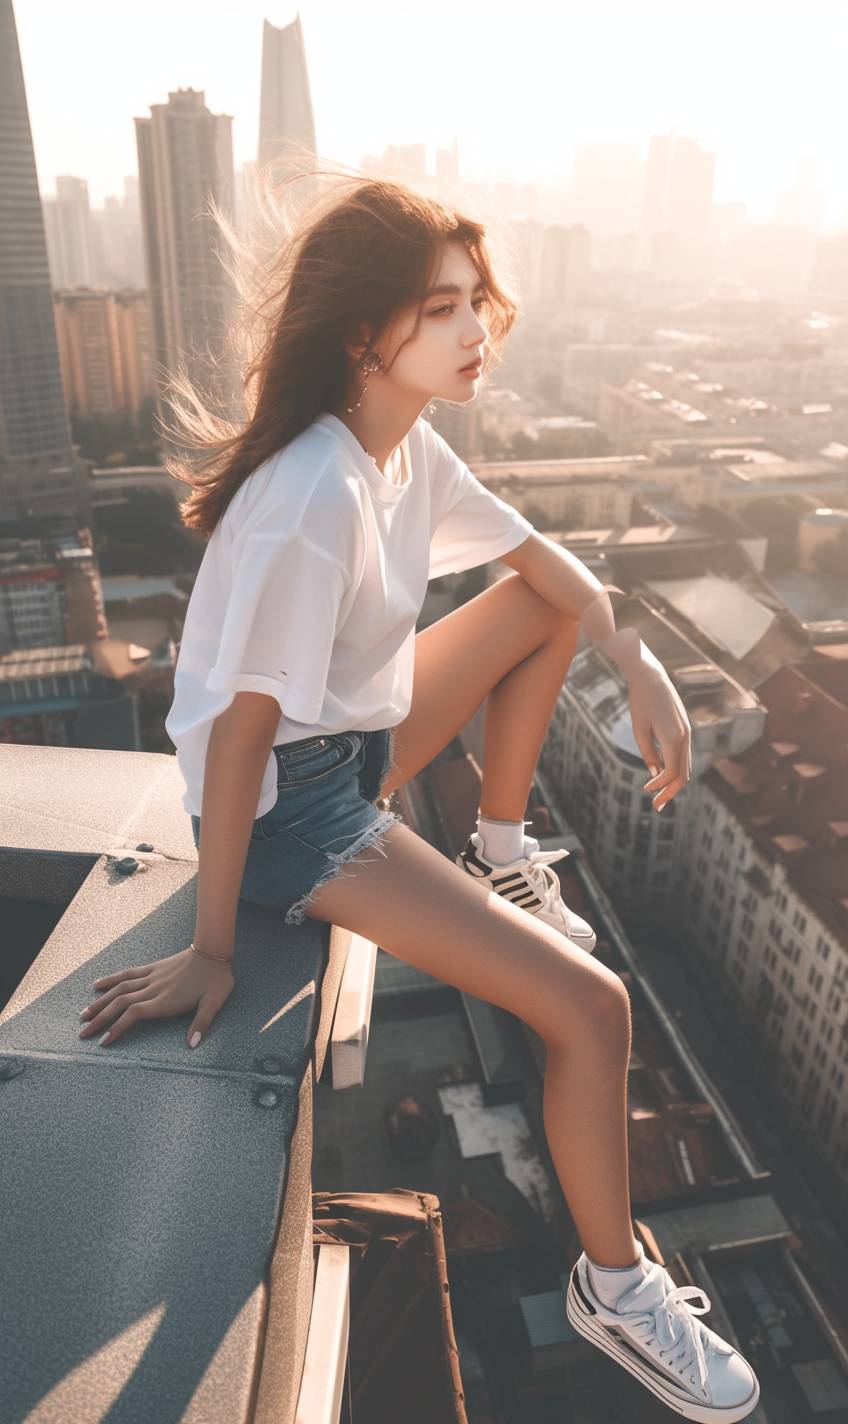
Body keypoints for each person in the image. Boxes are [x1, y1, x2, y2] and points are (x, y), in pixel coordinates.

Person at [76, 168, 759, 1421]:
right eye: (441, 308)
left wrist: (635, 659)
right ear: (362, 334)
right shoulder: (314, 498)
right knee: (592, 1010)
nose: (474, 330)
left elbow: (549, 568)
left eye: (477, 303)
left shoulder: (397, 451)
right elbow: (236, 740)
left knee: (543, 603)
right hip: (290, 813)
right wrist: (215, 947)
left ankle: (499, 848)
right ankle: (613, 1287)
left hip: (351, 750)